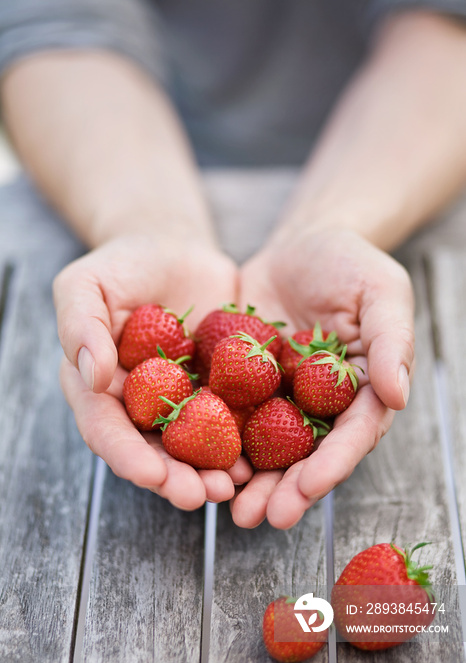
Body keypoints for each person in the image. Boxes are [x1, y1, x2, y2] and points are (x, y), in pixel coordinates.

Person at [1, 1, 466, 530]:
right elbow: (56, 26)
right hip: (113, 164)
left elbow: (449, 24)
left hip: (404, 169)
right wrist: (148, 224)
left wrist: (334, 227)